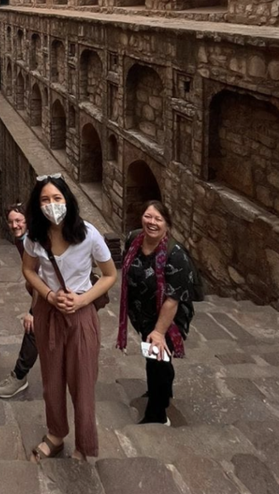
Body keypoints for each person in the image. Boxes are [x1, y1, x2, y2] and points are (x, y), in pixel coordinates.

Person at [22, 174, 116, 462]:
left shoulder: (88, 234)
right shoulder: (35, 237)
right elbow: (28, 270)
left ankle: (84, 444)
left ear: (67, 200)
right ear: (37, 205)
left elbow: (110, 274)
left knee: (83, 381)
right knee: (51, 378)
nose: (51, 205)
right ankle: (56, 434)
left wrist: (81, 300)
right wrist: (50, 296)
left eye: (56, 198)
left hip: (81, 314)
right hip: (49, 312)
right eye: (45, 200)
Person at [117, 200, 195, 426]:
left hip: (168, 320)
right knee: (156, 359)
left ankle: (157, 415)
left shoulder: (176, 256)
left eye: (158, 219)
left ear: (167, 225)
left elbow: (173, 299)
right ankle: (161, 392)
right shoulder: (134, 239)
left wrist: (159, 332)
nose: (152, 222)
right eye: (148, 216)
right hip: (143, 314)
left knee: (157, 361)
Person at [0, 203, 39, 398]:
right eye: (11, 222)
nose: (15, 225)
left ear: (27, 221)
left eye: (19, 221)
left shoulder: (32, 241)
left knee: (32, 330)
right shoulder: (21, 240)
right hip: (46, 291)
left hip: (54, 291)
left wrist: (32, 312)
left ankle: (19, 376)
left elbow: (40, 279)